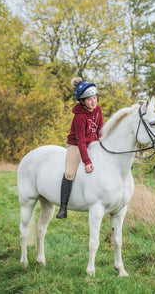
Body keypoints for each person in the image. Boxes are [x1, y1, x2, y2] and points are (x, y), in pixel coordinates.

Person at [56, 77, 103, 219]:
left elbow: (100, 127)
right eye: (89, 99)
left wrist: (102, 140)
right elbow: (81, 141)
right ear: (82, 102)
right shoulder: (79, 118)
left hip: (92, 142)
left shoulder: (98, 109)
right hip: (76, 145)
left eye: (94, 97)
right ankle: (63, 207)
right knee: (69, 173)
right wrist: (87, 161)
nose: (93, 101)